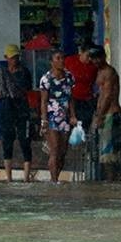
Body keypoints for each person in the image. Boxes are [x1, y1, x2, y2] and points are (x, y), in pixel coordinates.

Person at [0, 44, 33, 182]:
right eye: (12, 57)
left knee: (25, 141)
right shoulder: (2, 73)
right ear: (6, 58)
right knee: (7, 141)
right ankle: (8, 178)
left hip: (22, 109)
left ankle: (26, 178)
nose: (15, 60)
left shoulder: (24, 72)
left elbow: (25, 89)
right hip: (7, 109)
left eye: (16, 57)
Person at [39, 49, 77, 183]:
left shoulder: (69, 77)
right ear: (52, 62)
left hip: (65, 116)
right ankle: (54, 180)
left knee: (63, 151)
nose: (61, 61)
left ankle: (57, 176)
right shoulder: (46, 79)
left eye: (62, 58)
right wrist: (44, 120)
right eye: (58, 58)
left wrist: (73, 115)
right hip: (52, 117)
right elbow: (43, 101)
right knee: (54, 149)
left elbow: (71, 97)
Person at [90, 47, 121, 181]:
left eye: (99, 58)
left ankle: (112, 181)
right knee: (104, 153)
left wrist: (99, 117)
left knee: (108, 154)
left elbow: (108, 96)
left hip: (110, 115)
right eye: (94, 59)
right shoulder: (99, 72)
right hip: (104, 115)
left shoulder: (109, 72)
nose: (96, 61)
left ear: (104, 56)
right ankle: (109, 180)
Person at [63, 46, 98, 131]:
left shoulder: (93, 66)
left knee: (84, 127)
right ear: (81, 53)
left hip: (87, 100)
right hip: (73, 98)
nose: (89, 59)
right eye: (87, 56)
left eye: (91, 56)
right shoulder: (70, 61)